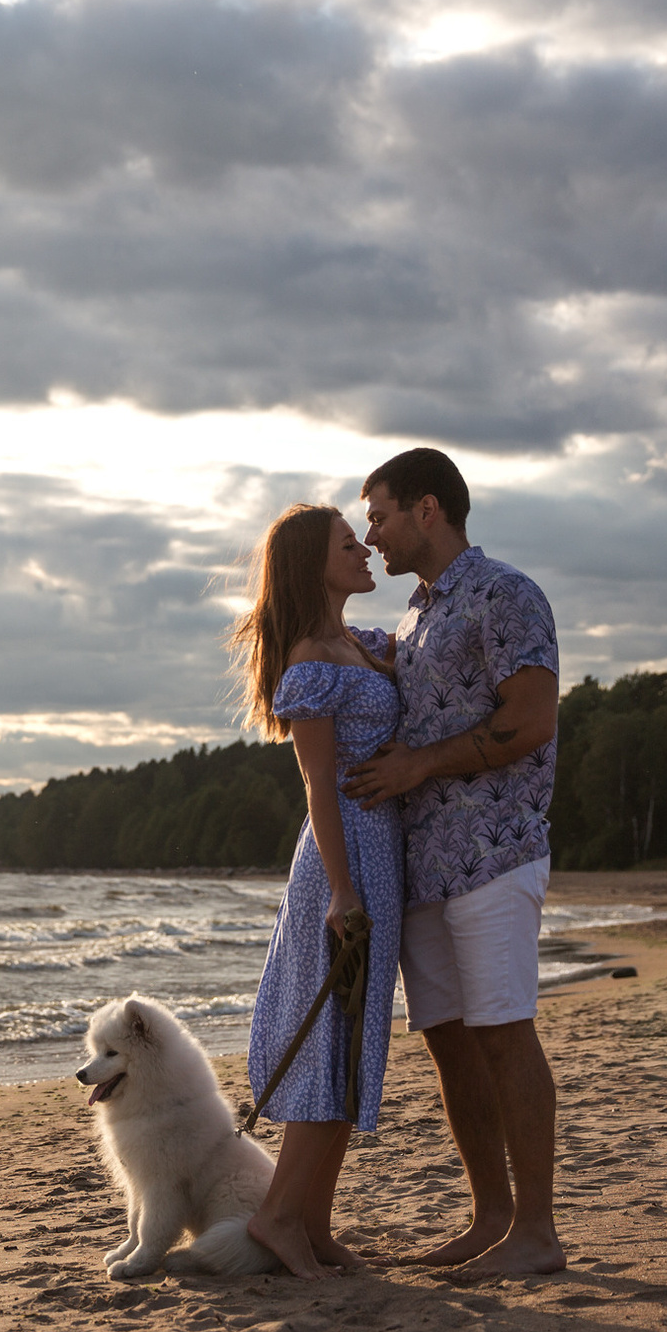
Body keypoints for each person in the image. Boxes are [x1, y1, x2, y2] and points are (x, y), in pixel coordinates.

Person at [344, 448, 566, 1278]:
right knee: (448, 1041)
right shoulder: (414, 615)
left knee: (505, 1032)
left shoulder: (506, 594)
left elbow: (533, 719)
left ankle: (538, 1233)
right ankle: (492, 1217)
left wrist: (417, 765)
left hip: (495, 849)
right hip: (424, 864)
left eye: (380, 514)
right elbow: (367, 657)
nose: (372, 532)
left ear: (427, 508)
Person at [228, 502, 405, 1279]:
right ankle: (276, 1218)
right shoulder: (310, 657)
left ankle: (316, 1224)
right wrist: (341, 888)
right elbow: (317, 785)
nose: (364, 548)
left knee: (351, 1038)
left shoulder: (356, 646)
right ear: (314, 563)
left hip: (378, 856)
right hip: (343, 863)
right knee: (326, 1036)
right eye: (347, 543)